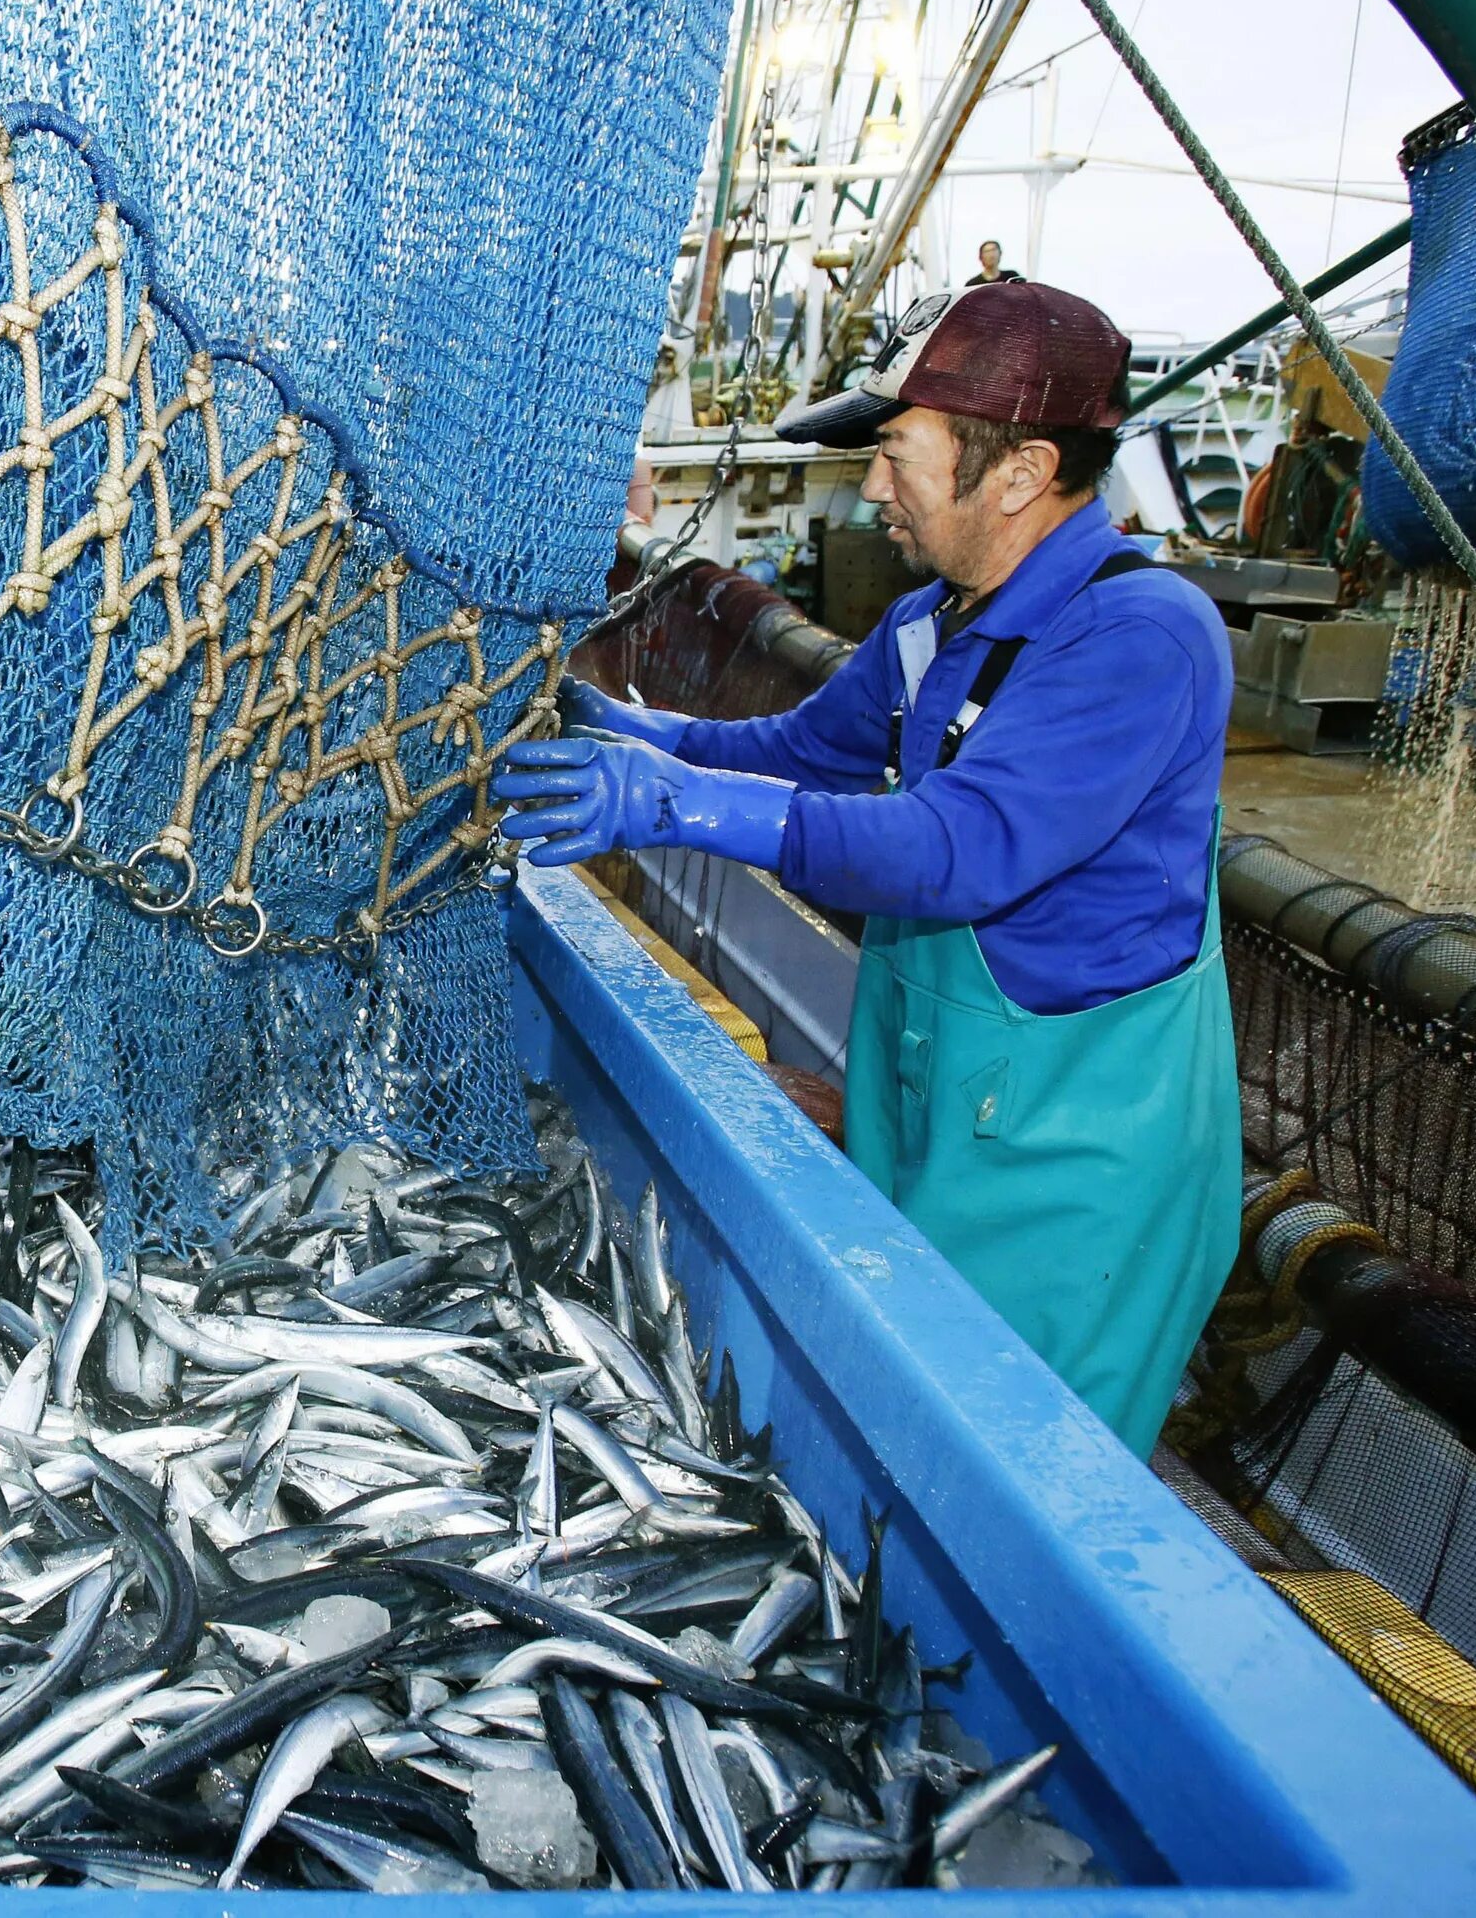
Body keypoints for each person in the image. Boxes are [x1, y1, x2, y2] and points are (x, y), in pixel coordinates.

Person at [493, 280, 1235, 1453]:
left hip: (1071, 1164)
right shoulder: (936, 620)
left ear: (1021, 471)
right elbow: (810, 754)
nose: (873, 487)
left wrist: (673, 805)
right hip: (929, 1098)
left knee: (1013, 1466)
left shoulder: (1141, 636)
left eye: (897, 454)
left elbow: (959, 850)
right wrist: (643, 734)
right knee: (899, 1422)